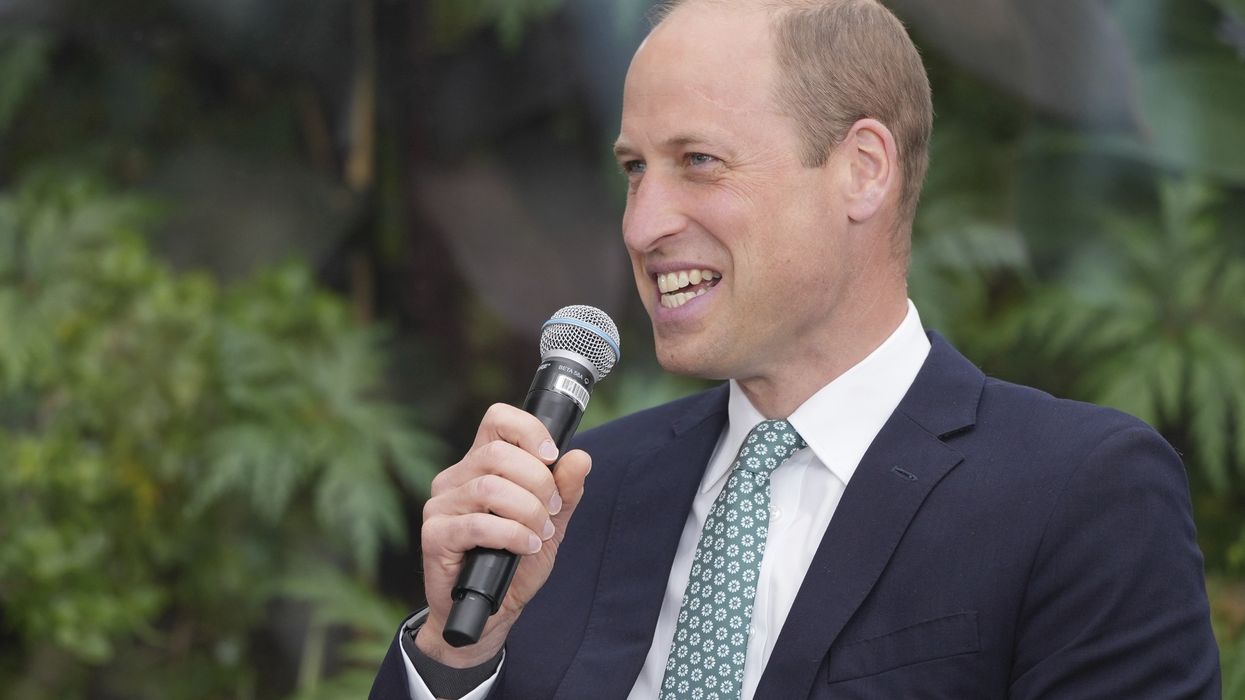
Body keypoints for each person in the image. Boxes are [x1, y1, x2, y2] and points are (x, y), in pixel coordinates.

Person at [371, 0, 1221, 697]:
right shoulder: (576, 497)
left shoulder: (1076, 493)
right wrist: (455, 656)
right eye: (634, 169)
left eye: (698, 160)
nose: (641, 224)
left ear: (863, 169)